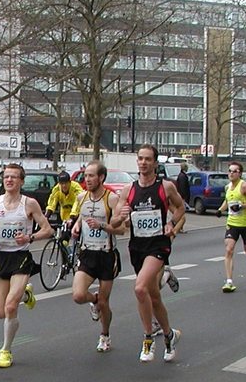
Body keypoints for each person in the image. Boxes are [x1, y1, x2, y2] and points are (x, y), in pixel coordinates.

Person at [111, 144, 186, 363]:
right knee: (153, 296)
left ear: (154, 163)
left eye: (147, 159)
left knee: (140, 287)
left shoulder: (166, 187)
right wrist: (121, 215)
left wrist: (171, 223)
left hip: (158, 246)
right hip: (137, 247)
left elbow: (181, 208)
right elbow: (117, 222)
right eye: (140, 159)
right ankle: (170, 335)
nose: (143, 163)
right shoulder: (129, 190)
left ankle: (148, 338)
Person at [0, 163, 54, 368]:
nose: (9, 180)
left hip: (20, 256)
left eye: (13, 177)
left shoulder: (30, 204)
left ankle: (5, 350)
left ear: (21, 181)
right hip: (1, 257)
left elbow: (48, 230)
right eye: (6, 177)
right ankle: (26, 295)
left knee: (11, 307)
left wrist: (30, 237)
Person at [70, 161, 124, 352]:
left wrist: (101, 226)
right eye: (85, 176)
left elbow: (122, 230)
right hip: (86, 253)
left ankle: (105, 334)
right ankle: (92, 300)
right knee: (77, 295)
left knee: (104, 302)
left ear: (101, 177)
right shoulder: (81, 197)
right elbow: (82, 216)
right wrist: (77, 226)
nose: (87, 179)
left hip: (106, 256)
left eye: (91, 176)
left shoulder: (112, 200)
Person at [217, 161, 246, 293]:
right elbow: (227, 200)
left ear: (240, 173)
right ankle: (229, 281)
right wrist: (220, 210)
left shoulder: (244, 187)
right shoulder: (227, 187)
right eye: (229, 171)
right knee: (229, 249)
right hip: (232, 223)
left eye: (234, 171)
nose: (231, 173)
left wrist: (242, 206)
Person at [174, 162, 190, 233]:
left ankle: (180, 227)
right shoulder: (182, 176)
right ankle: (179, 228)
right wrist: (183, 197)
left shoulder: (181, 175)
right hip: (182, 197)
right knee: (182, 214)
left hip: (181, 196)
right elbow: (183, 187)